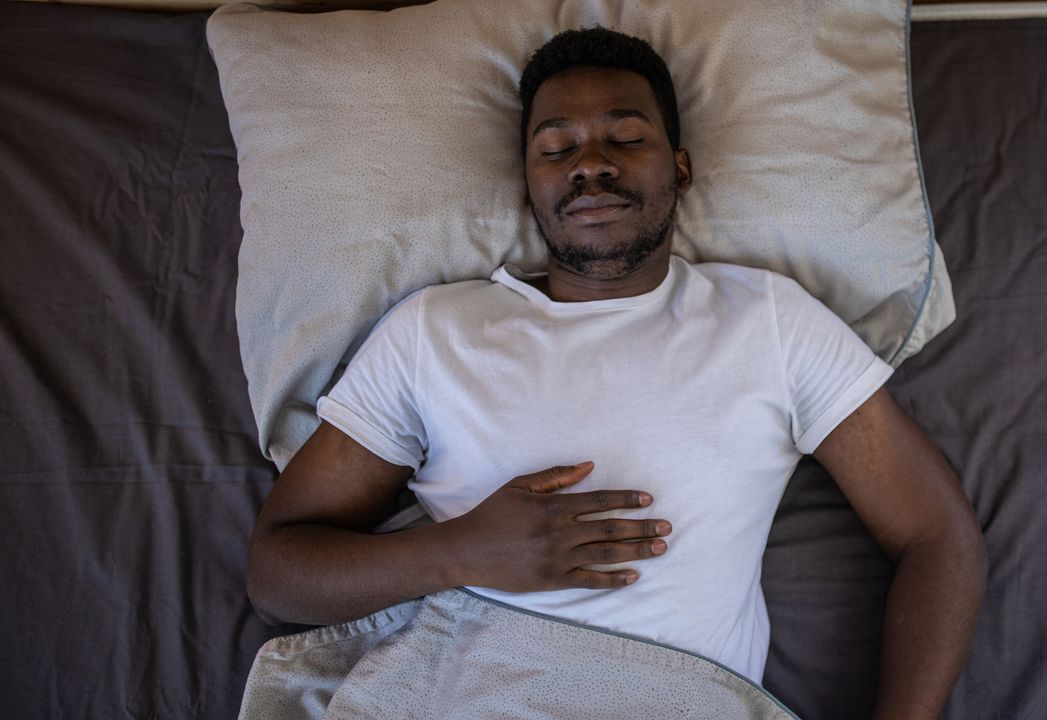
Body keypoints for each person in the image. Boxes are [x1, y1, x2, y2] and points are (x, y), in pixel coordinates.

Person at [246, 27, 986, 720]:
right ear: (529, 186)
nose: (589, 164)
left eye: (626, 138)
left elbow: (937, 536)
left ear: (681, 167)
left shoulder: (769, 322)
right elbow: (278, 571)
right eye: (555, 148)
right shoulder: (432, 332)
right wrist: (457, 552)